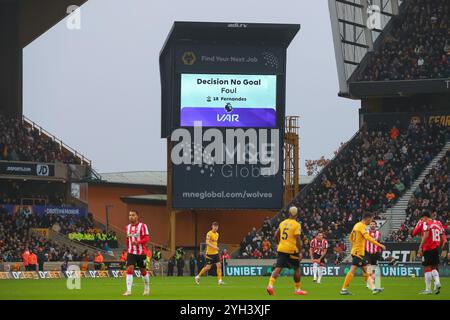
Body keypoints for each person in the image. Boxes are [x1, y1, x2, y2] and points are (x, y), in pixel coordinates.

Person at [340, 212, 386, 295]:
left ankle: (374, 288)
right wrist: (380, 245)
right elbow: (367, 237)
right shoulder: (362, 226)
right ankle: (344, 289)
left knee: (364, 271)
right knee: (359, 270)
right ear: (367, 218)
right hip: (358, 253)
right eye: (371, 219)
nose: (371, 221)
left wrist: (355, 245)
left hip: (357, 252)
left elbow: (350, 237)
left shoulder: (356, 225)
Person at [266, 206, 307, 296]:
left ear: (289, 213)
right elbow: (298, 240)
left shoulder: (283, 223)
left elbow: (276, 234)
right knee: (296, 269)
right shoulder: (296, 224)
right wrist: (300, 251)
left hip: (281, 248)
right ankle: (297, 289)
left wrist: (278, 243)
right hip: (292, 250)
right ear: (296, 214)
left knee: (278, 268)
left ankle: (270, 286)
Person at [415, 211, 446, 295]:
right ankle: (437, 282)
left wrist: (420, 247)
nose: (422, 221)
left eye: (422, 219)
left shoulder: (427, 224)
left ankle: (428, 289)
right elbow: (442, 237)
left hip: (428, 248)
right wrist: (440, 245)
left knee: (427, 268)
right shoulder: (437, 224)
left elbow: (425, 236)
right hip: (435, 248)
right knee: (434, 267)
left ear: (425, 217)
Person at [122, 210, 150, 296]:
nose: (131, 217)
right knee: (129, 269)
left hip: (141, 253)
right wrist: (127, 248)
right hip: (131, 252)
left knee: (143, 271)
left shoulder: (143, 226)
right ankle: (128, 291)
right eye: (130, 215)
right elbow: (128, 239)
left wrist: (138, 242)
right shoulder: (127, 227)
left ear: (137, 216)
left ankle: (146, 287)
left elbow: (146, 238)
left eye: (133, 215)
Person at [365, 221, 382, 289]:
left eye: (374, 224)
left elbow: (378, 243)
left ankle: (375, 284)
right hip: (368, 252)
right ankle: (369, 283)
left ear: (375, 225)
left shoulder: (378, 233)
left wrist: (379, 252)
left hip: (375, 253)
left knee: (375, 269)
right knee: (369, 268)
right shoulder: (366, 232)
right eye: (371, 224)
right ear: (369, 225)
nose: (372, 225)